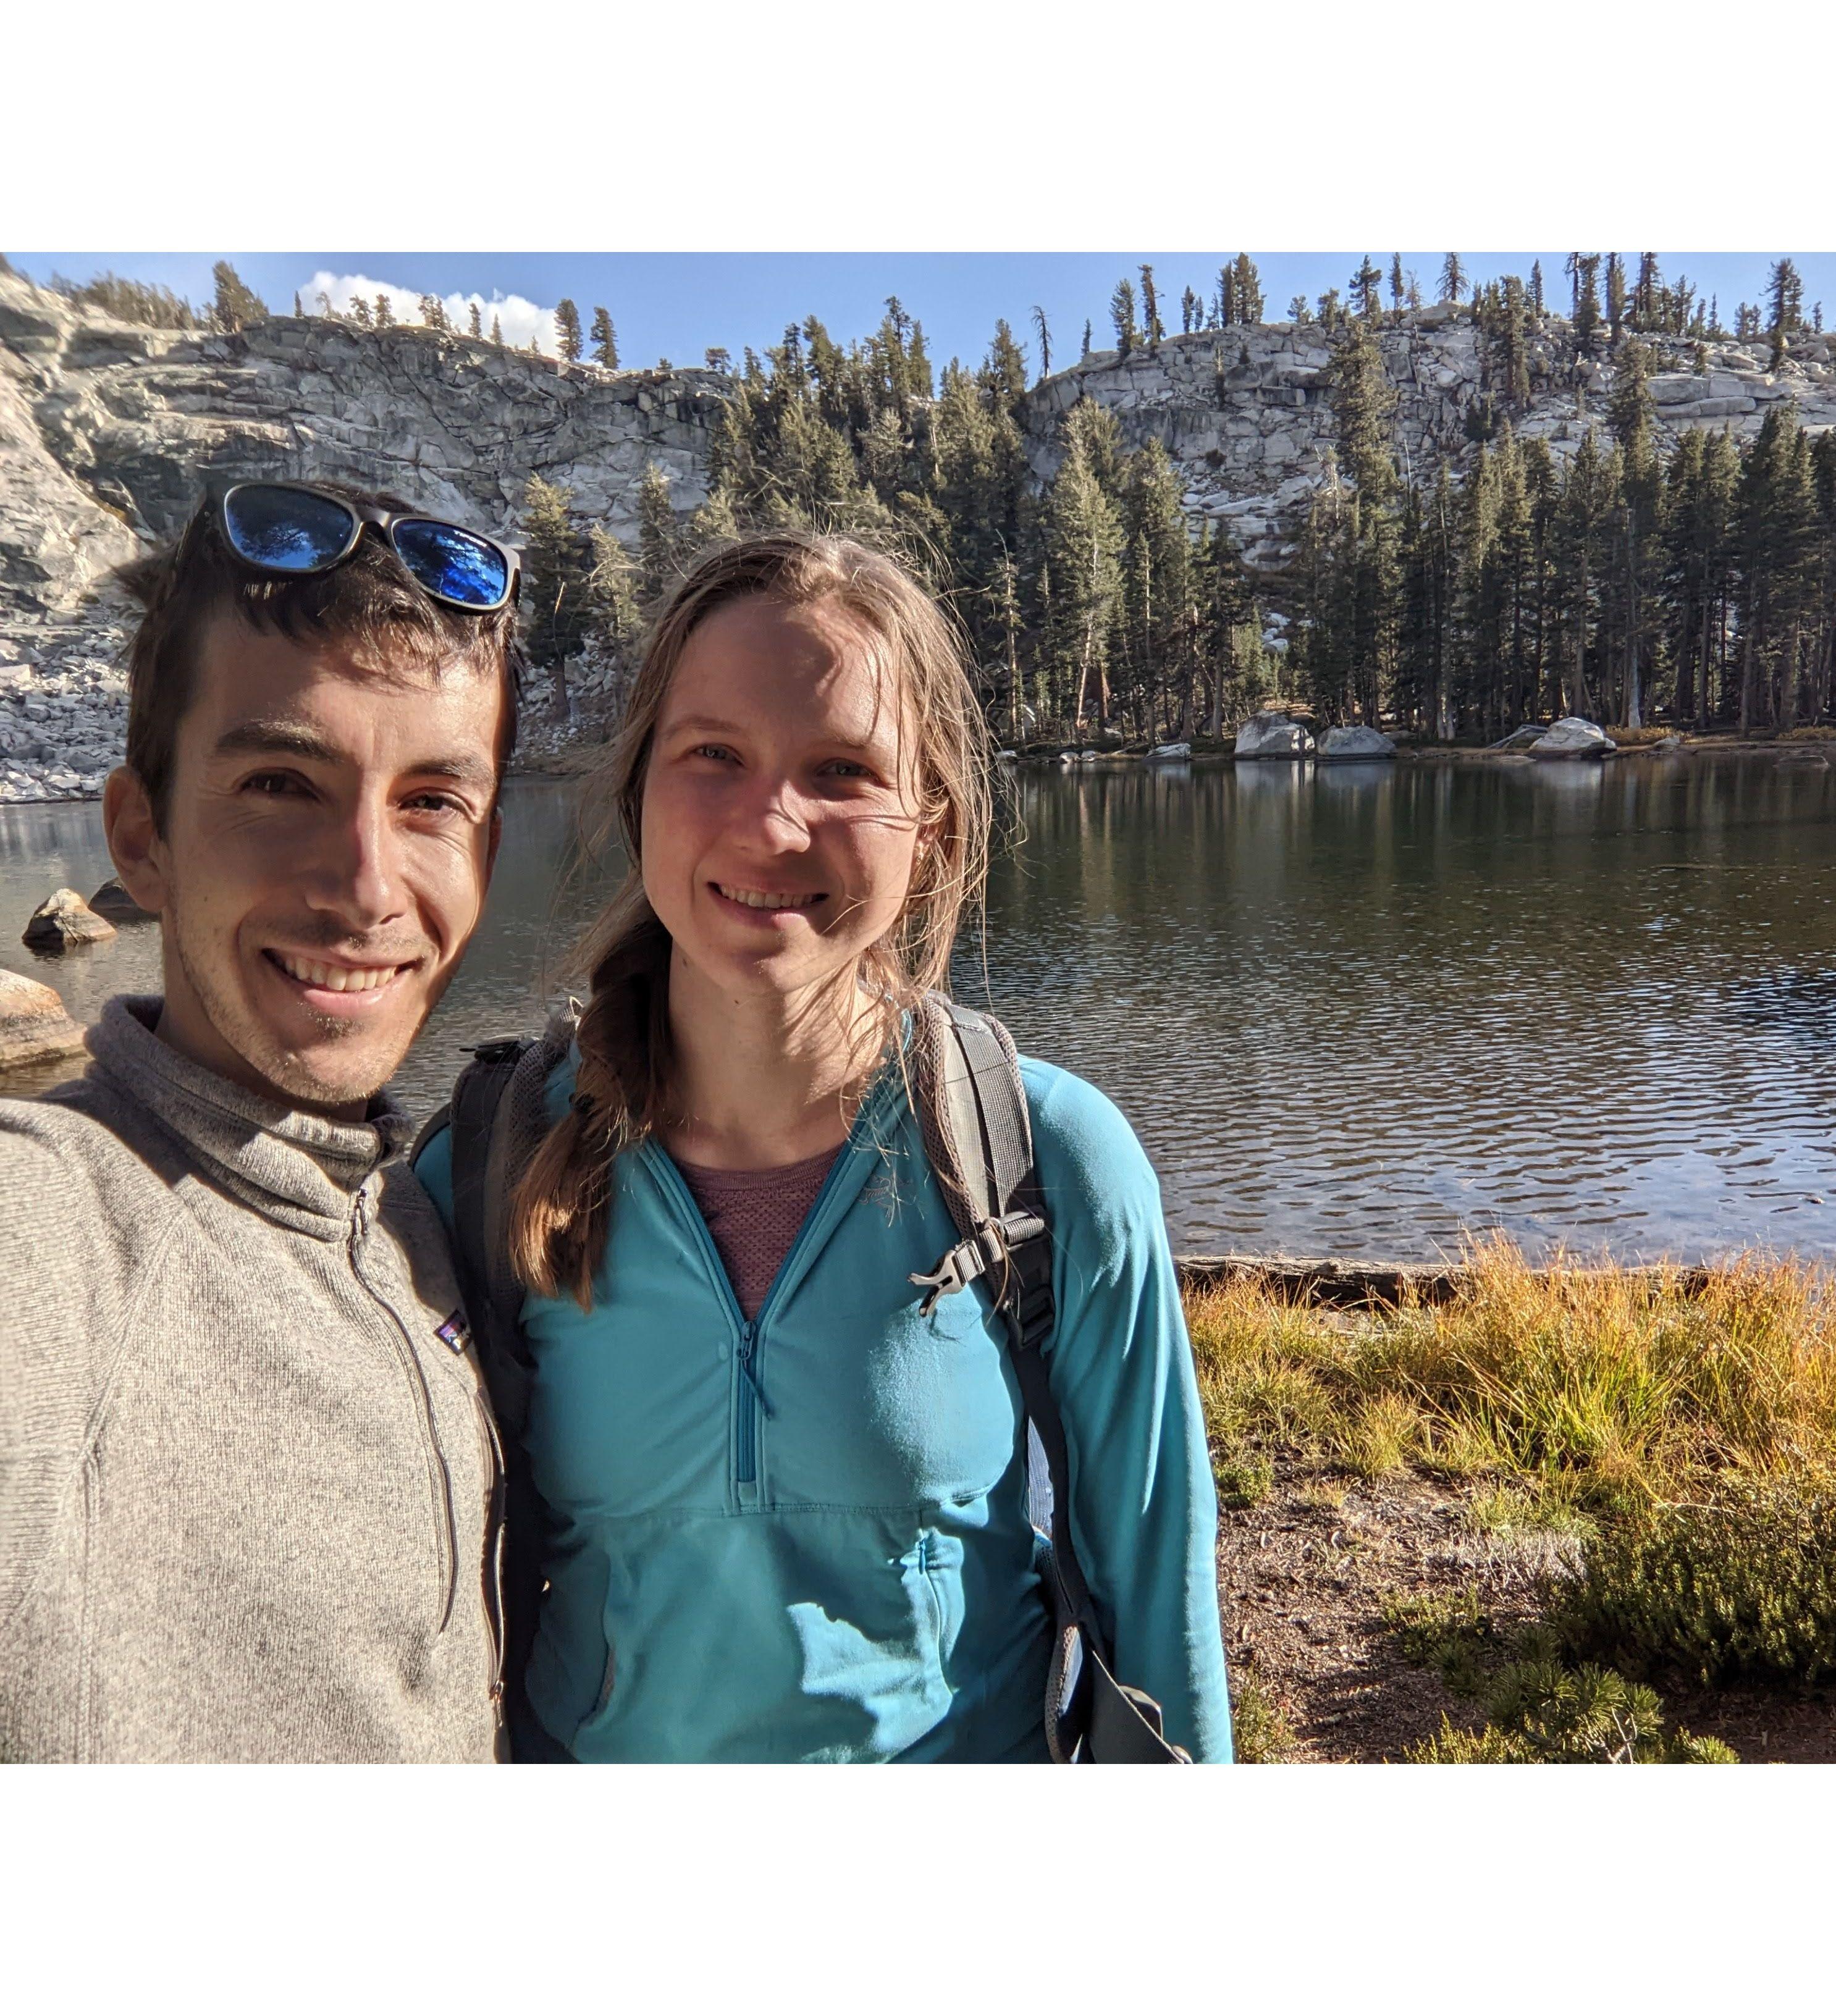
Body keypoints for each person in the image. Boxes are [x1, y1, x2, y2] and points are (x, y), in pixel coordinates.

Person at [416, 530, 1233, 1762]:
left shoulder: (1045, 1160)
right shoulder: (489, 1160)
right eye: (714, 758)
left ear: (936, 827)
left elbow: (1161, 1600)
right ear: (640, 786)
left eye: (843, 769)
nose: (772, 824)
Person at [0, 480, 520, 1762]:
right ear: (142, 837)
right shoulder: (54, 1229)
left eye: (429, 803)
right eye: (283, 782)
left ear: (485, 856)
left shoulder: (418, 1213)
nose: (364, 882)